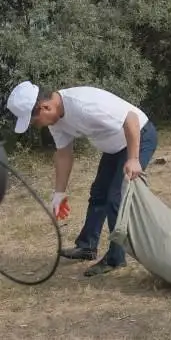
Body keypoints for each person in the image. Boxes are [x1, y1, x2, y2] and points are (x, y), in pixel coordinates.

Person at [6, 81, 158, 277]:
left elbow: (131, 119)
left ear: (45, 107)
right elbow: (63, 153)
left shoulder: (84, 104)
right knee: (98, 194)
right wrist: (59, 193)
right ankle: (87, 246)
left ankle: (116, 258)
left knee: (115, 198)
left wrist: (134, 159)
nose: (37, 126)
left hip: (139, 135)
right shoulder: (56, 120)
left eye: (35, 121)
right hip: (114, 146)